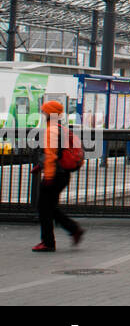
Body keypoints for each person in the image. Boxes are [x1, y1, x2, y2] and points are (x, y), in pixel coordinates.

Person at [31, 100, 85, 252]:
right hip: (63, 175)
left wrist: (47, 176)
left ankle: (48, 242)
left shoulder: (51, 131)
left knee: (43, 208)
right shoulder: (61, 128)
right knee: (49, 207)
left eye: (44, 111)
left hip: (54, 175)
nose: (42, 113)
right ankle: (74, 229)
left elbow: (51, 155)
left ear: (49, 113)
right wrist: (39, 167)